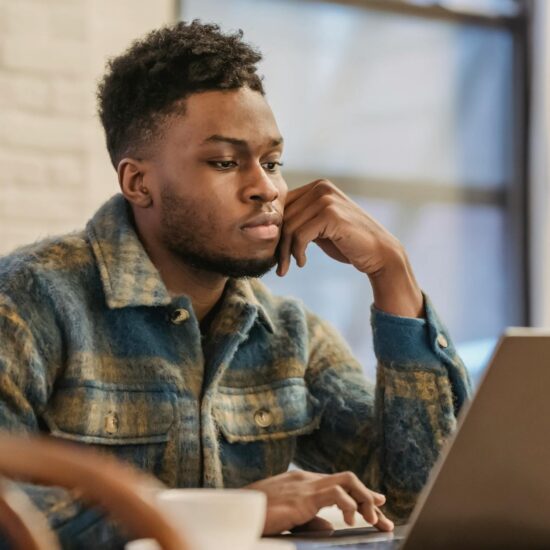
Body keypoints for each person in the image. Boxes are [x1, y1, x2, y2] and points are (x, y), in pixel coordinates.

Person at [0, 20, 471, 549]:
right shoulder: (26, 301)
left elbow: (423, 500)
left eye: (272, 161)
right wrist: (231, 514)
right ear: (139, 183)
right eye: (226, 162)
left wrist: (393, 274)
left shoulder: (290, 334)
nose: (266, 188)